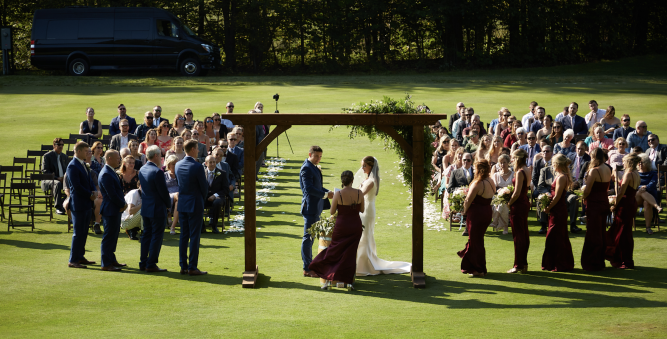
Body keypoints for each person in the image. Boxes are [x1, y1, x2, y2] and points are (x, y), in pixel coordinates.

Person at [355, 156, 412, 275]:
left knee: (364, 236)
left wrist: (345, 194)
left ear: (371, 166)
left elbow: (360, 194)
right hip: (366, 209)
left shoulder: (371, 181)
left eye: (364, 165)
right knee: (364, 235)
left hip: (367, 210)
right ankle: (361, 263)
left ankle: (364, 266)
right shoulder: (369, 179)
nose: (362, 168)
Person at [309, 170, 364, 290]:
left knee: (334, 252)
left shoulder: (338, 194)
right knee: (350, 254)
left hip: (342, 226)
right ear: (352, 180)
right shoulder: (359, 193)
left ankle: (328, 280)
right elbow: (362, 210)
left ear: (342, 181)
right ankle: (348, 282)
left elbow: (332, 211)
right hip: (355, 226)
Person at [176, 140, 209, 275]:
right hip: (195, 203)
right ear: (193, 149)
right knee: (194, 236)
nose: (199, 151)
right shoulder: (197, 166)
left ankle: (183, 265)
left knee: (184, 235)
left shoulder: (178, 164)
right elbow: (204, 187)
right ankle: (192, 267)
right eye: (197, 148)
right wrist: (203, 199)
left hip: (183, 203)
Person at [300, 146, 334, 277]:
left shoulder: (312, 166)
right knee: (308, 239)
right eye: (316, 156)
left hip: (316, 207)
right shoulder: (306, 168)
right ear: (310, 154)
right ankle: (307, 268)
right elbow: (309, 189)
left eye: (320, 156)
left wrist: (328, 192)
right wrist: (326, 195)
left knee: (311, 238)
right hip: (310, 208)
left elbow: (317, 186)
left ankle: (310, 266)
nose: (319, 159)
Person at [458, 159, 495, 277]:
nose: (473, 170)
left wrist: (464, 212)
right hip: (487, 212)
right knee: (478, 240)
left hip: (476, 214)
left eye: (475, 168)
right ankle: (480, 267)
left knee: (475, 242)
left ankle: (478, 269)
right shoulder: (491, 181)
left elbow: (468, 200)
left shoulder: (477, 183)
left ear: (479, 169)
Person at [138, 145, 171, 273]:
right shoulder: (157, 172)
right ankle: (151, 263)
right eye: (161, 155)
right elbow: (163, 192)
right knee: (157, 236)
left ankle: (143, 262)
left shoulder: (142, 169)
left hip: (146, 208)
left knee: (146, 235)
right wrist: (168, 204)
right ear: (156, 156)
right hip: (157, 208)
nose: (162, 158)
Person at [541, 154, 575, 272]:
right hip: (557, 210)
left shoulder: (561, 177)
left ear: (558, 164)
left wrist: (548, 207)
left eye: (553, 163)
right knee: (557, 237)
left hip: (558, 210)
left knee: (556, 237)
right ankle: (553, 263)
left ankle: (560, 264)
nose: (552, 166)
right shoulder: (560, 176)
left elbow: (557, 197)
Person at [66, 142, 97, 269]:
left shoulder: (83, 164)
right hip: (78, 204)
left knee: (84, 232)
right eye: (85, 151)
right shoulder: (72, 166)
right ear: (78, 151)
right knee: (78, 233)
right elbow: (75, 186)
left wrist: (94, 191)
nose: (88, 153)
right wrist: (90, 194)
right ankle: (73, 259)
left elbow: (89, 181)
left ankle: (80, 256)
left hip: (86, 203)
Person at [606, 154, 640, 269]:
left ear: (629, 163)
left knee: (621, 232)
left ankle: (621, 259)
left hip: (625, 205)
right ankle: (626, 258)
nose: (623, 164)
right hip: (632, 202)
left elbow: (621, 193)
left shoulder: (628, 174)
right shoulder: (636, 174)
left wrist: (614, 205)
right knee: (626, 232)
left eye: (624, 162)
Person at [581, 148, 611, 271]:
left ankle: (592, 261)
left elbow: (588, 190)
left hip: (594, 203)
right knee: (601, 231)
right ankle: (600, 259)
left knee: (593, 233)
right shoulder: (608, 168)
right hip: (604, 202)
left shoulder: (594, 170)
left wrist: (583, 196)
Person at [97, 149, 128, 271]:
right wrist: (123, 204)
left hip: (114, 209)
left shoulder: (110, 171)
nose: (119, 160)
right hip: (110, 209)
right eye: (117, 158)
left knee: (113, 236)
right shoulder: (106, 173)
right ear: (109, 158)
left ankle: (111, 259)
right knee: (109, 237)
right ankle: (105, 263)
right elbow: (112, 194)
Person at [508, 149, 530, 273]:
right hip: (524, 202)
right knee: (524, 233)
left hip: (519, 204)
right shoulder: (527, 169)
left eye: (512, 158)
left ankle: (518, 265)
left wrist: (509, 203)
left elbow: (516, 193)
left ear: (517, 159)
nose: (511, 160)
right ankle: (524, 263)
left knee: (518, 235)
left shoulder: (520, 172)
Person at [447, 152, 475, 236]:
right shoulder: (455, 172)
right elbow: (450, 189)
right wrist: (460, 190)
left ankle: (470, 226)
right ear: (461, 161)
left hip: (473, 198)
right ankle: (467, 227)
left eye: (468, 160)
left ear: (471, 161)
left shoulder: (476, 172)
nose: (466, 162)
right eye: (464, 160)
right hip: (460, 198)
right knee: (465, 203)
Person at [202, 155, 229, 234]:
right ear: (206, 163)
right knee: (197, 202)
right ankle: (202, 226)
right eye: (210, 162)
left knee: (217, 203)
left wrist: (215, 195)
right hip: (205, 197)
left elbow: (226, 189)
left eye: (214, 162)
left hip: (218, 197)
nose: (213, 164)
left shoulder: (222, 173)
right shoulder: (202, 173)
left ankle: (214, 225)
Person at [42, 138, 69, 215]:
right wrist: (57, 178)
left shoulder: (64, 157)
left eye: (62, 145)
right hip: (49, 180)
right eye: (59, 144)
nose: (61, 146)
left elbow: (67, 171)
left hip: (62, 180)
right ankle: (58, 207)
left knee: (74, 184)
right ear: (54, 145)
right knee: (57, 183)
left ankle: (65, 203)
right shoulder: (47, 156)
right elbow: (45, 171)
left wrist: (64, 178)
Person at [637, 153, 663, 235]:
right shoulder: (635, 173)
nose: (640, 164)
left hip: (649, 197)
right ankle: (657, 206)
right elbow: (633, 185)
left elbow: (653, 183)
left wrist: (646, 187)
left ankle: (648, 228)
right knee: (641, 191)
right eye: (639, 162)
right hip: (637, 197)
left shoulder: (653, 173)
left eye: (642, 162)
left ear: (647, 163)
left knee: (647, 203)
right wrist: (641, 187)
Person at [490, 154, 513, 234]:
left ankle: (495, 221)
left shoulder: (513, 174)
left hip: (510, 196)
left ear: (508, 163)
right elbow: (493, 188)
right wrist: (499, 191)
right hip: (498, 196)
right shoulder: (496, 175)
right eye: (501, 163)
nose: (502, 164)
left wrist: (508, 192)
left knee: (503, 204)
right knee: (501, 204)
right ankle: (505, 227)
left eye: (504, 162)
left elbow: (515, 187)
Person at [441, 148, 465, 222]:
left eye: (462, 154)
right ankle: (454, 214)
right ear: (456, 155)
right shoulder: (451, 168)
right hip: (452, 189)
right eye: (459, 154)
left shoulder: (467, 168)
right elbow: (446, 184)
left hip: (464, 189)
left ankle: (462, 214)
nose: (460, 156)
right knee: (450, 193)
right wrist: (456, 189)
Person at [164, 155, 180, 235]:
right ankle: (170, 215)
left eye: (177, 164)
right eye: (173, 164)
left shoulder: (180, 174)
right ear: (169, 164)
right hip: (168, 195)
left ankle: (172, 227)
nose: (175, 166)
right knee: (178, 195)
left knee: (178, 201)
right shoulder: (164, 175)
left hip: (179, 197)